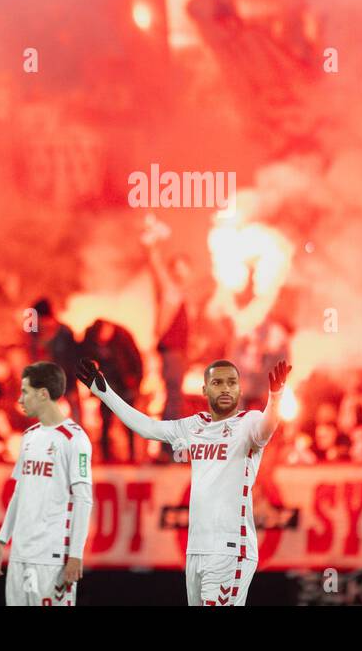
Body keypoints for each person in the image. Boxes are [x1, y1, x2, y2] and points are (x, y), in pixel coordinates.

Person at [79, 355, 290, 606]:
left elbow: (267, 427)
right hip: (197, 548)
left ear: (239, 389)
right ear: (204, 389)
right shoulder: (194, 426)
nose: (225, 388)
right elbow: (148, 428)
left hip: (230, 548)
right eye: (218, 382)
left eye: (231, 383)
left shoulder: (249, 423)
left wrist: (275, 398)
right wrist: (104, 392)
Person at [0, 362, 93, 607]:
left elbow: (83, 499)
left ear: (43, 394)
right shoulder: (29, 437)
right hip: (20, 556)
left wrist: (75, 554)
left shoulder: (75, 439)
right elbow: (19, 493)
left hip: (52, 558)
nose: (20, 399)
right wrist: (1, 541)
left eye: (25, 392)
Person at [79, 319, 143, 462]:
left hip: (125, 383)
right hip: (107, 383)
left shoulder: (123, 336)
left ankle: (132, 456)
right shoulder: (90, 337)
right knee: (105, 419)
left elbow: (136, 361)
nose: (102, 343)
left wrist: (136, 384)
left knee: (129, 421)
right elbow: (83, 358)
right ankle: (106, 456)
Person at [146, 244, 192, 424]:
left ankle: (169, 443)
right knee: (173, 397)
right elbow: (156, 268)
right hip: (171, 352)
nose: (183, 272)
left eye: (186, 267)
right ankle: (169, 444)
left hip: (177, 354)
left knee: (175, 396)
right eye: (179, 267)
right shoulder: (169, 290)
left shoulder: (182, 295)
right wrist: (152, 246)